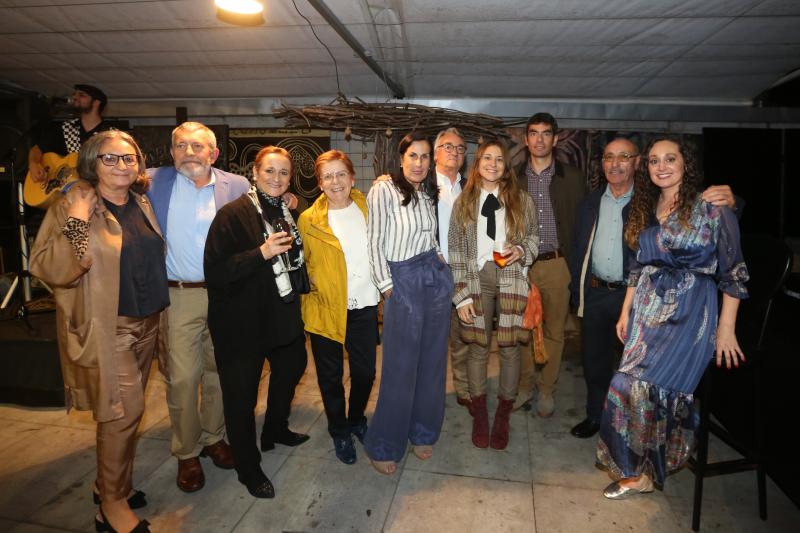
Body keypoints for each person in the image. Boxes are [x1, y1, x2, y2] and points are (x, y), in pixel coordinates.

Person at [30, 130, 168, 533]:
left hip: (147, 322)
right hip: (110, 327)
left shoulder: (141, 202)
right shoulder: (75, 205)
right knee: (124, 412)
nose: (121, 166)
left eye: (128, 158)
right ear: (92, 162)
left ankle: (109, 484)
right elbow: (48, 266)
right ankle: (110, 506)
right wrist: (75, 220)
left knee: (121, 413)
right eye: (110, 159)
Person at [596, 136, 749, 498]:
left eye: (670, 159)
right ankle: (640, 470)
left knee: (646, 390)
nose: (661, 166)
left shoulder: (711, 206)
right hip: (647, 311)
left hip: (692, 312)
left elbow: (735, 273)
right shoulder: (646, 206)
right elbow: (639, 264)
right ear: (645, 168)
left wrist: (726, 330)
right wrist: (625, 310)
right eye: (653, 161)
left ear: (685, 164)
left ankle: (647, 471)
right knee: (627, 387)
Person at [569, 138, 738, 439]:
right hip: (607, 295)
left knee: (644, 381)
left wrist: (733, 199)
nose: (615, 163)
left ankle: (641, 443)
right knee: (598, 364)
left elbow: (721, 245)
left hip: (661, 303)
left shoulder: (650, 202)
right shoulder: (600, 203)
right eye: (609, 156)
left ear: (636, 163)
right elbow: (590, 249)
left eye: (624, 156)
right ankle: (598, 418)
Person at [204, 146, 310, 498]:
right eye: (270, 171)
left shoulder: (285, 209)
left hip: (280, 311)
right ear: (254, 172)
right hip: (241, 321)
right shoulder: (232, 215)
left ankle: (275, 429)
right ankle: (248, 468)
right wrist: (261, 253)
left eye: (283, 173)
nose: (277, 179)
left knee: (293, 365)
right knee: (241, 397)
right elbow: (216, 272)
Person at [147, 122, 244, 492]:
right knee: (184, 378)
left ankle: (213, 437)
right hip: (180, 295)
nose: (190, 152)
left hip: (224, 295)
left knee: (219, 372)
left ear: (214, 154)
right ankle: (187, 453)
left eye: (198, 146)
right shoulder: (152, 182)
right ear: (171, 153)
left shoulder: (236, 186)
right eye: (181, 146)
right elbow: (97, 180)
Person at [364, 132, 454, 475]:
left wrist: (445, 270)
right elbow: (373, 241)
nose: (419, 163)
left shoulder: (429, 191)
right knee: (400, 367)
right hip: (401, 280)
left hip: (433, 275)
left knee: (432, 363)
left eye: (425, 156)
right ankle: (384, 443)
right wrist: (387, 287)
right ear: (401, 159)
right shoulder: (383, 189)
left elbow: (430, 238)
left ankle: (423, 431)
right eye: (413, 156)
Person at [449, 139, 539, 450]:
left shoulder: (521, 200)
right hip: (478, 278)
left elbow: (534, 238)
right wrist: (460, 295)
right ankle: (479, 412)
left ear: (506, 166)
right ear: (477, 164)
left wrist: (522, 249)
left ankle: (503, 412)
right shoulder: (464, 202)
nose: (493, 164)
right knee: (477, 344)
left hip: (512, 275)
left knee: (510, 345)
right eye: (487, 158)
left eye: (499, 159)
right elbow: (456, 250)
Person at [298, 150, 380, 465]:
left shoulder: (368, 208)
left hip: (365, 306)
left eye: (341, 174)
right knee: (330, 377)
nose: (336, 182)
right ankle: (339, 429)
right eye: (328, 176)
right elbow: (300, 262)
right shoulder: (308, 220)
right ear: (319, 183)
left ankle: (357, 417)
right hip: (324, 307)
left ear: (352, 177)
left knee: (365, 373)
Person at [514, 112, 586, 417]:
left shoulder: (572, 177)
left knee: (555, 331)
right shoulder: (514, 177)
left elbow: (584, 223)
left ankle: (547, 390)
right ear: (526, 138)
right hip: (522, 266)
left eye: (546, 133)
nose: (539, 139)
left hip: (558, 265)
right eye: (534, 133)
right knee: (524, 330)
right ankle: (524, 386)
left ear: (555, 139)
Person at [28, 84, 110, 183]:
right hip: (63, 191)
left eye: (82, 95)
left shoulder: (109, 135)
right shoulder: (64, 128)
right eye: (74, 94)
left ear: (96, 102)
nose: (75, 97)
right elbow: (37, 149)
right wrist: (33, 164)